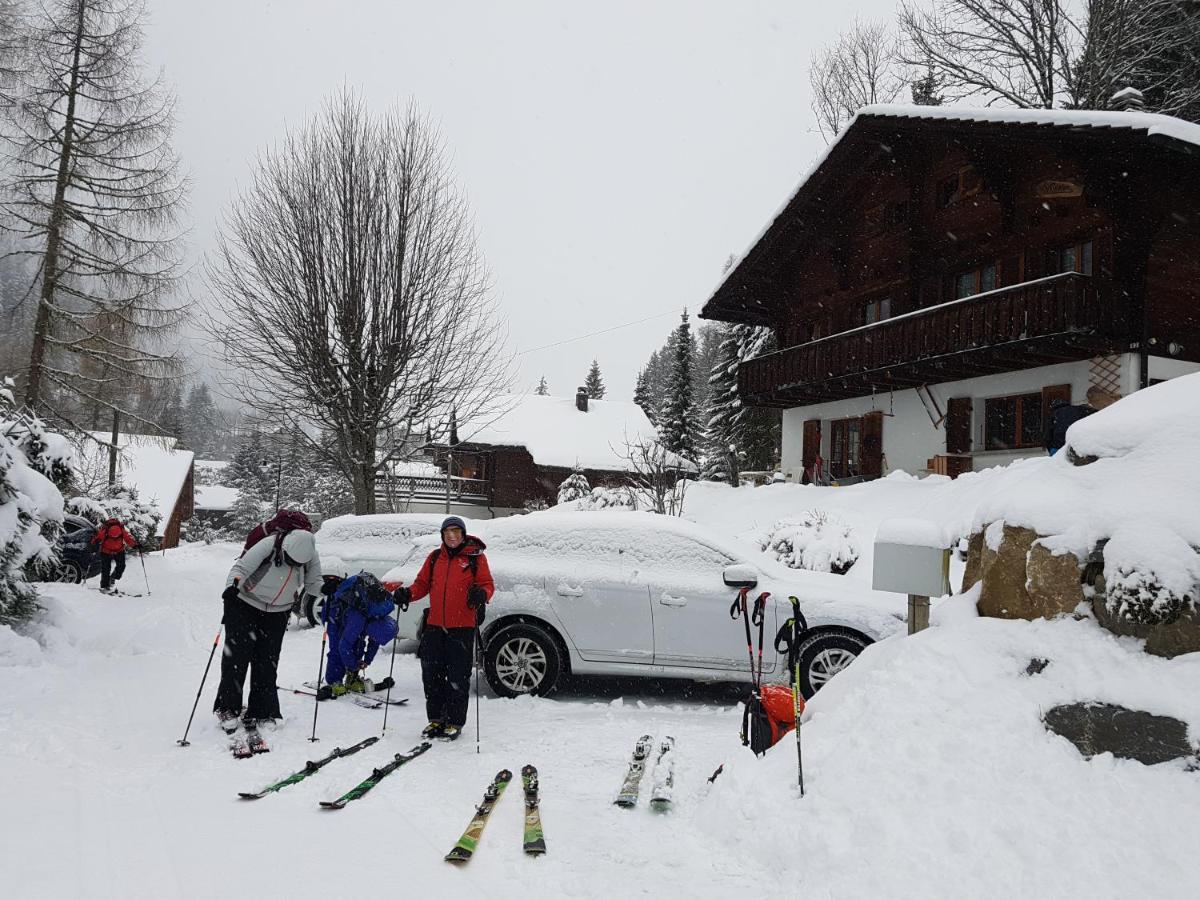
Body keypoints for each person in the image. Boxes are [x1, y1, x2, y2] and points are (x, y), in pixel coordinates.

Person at [394, 516, 493, 741]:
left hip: (462, 627)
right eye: (448, 532)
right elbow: (422, 584)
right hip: (435, 626)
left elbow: (487, 584)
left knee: (458, 676)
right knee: (431, 675)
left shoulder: (475, 558)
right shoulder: (435, 557)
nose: (452, 536)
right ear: (442, 535)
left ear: (463, 534)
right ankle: (436, 719)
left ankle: (455, 722)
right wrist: (407, 593)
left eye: (456, 531)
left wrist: (482, 594)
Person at [213, 527, 322, 731]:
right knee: (236, 657)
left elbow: (314, 583)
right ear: (285, 548)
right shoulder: (269, 544)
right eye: (291, 560)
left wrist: (326, 589)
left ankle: (263, 710)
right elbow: (240, 570)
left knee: (267, 661)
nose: (294, 565)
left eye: (299, 564)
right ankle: (227, 708)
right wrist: (231, 587)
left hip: (278, 611)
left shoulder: (309, 554)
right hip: (245, 603)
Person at [315, 572, 399, 699]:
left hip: (352, 612)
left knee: (358, 645)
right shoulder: (358, 621)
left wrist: (366, 661)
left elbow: (374, 642)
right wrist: (354, 664)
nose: (374, 639)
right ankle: (334, 681)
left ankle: (352, 678)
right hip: (334, 614)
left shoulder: (378, 618)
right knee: (337, 649)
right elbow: (344, 647)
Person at [91, 516, 136, 593]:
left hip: (106, 551)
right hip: (118, 550)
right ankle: (113, 577)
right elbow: (128, 538)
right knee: (121, 566)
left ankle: (105, 586)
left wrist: (93, 543)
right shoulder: (121, 529)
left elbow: (98, 537)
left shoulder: (105, 529)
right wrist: (135, 545)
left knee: (105, 569)